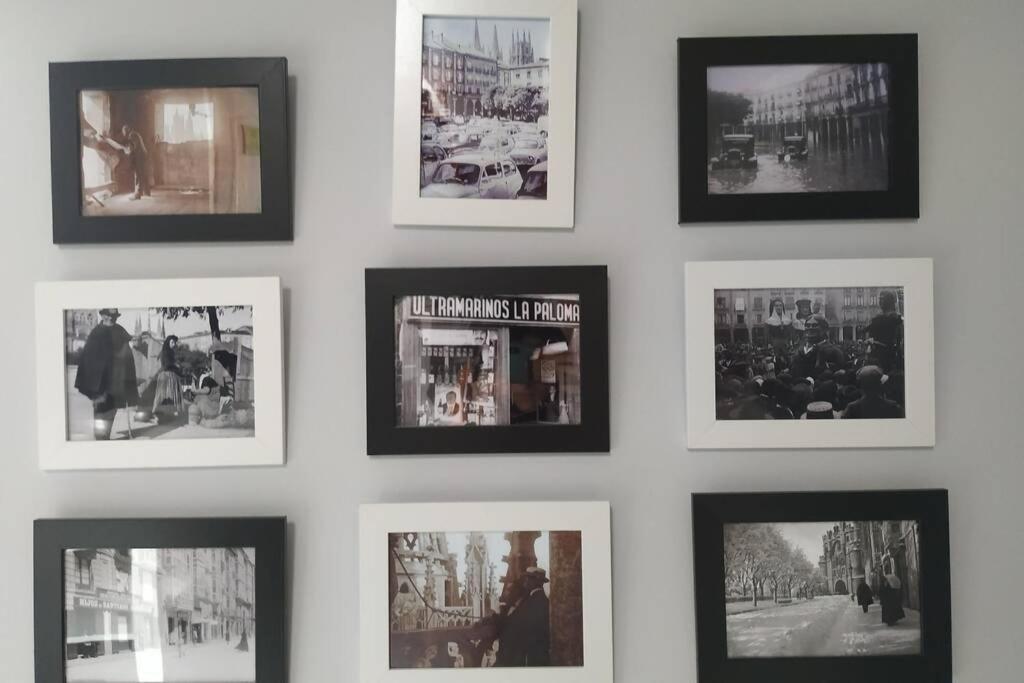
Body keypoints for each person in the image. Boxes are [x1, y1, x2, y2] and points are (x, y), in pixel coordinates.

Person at [73, 308, 139, 440]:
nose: (111, 318)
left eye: (113, 316)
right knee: (100, 413)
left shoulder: (119, 330)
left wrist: (138, 339)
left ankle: (105, 438)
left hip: (116, 381)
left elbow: (129, 345)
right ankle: (100, 439)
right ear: (102, 315)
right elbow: (87, 358)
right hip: (99, 384)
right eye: (108, 315)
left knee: (111, 411)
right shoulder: (96, 333)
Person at [497, 567, 551, 667]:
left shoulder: (535, 600)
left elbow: (517, 621)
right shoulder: (536, 598)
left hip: (532, 654)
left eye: (528, 578)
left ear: (535, 581)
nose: (525, 581)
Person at [152, 335, 185, 423]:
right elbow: (167, 365)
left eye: (174, 342)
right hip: (167, 376)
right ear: (168, 342)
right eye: (172, 342)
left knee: (168, 395)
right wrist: (176, 366)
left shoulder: (170, 352)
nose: (174, 344)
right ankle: (161, 415)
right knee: (166, 395)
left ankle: (166, 415)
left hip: (169, 375)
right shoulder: (166, 352)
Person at [120, 123, 150, 200]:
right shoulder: (135, 134)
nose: (123, 134)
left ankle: (137, 194)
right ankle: (147, 192)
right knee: (143, 174)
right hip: (143, 155)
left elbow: (134, 146)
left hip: (139, 156)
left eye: (123, 132)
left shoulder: (132, 135)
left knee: (138, 174)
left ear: (126, 130)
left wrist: (128, 150)